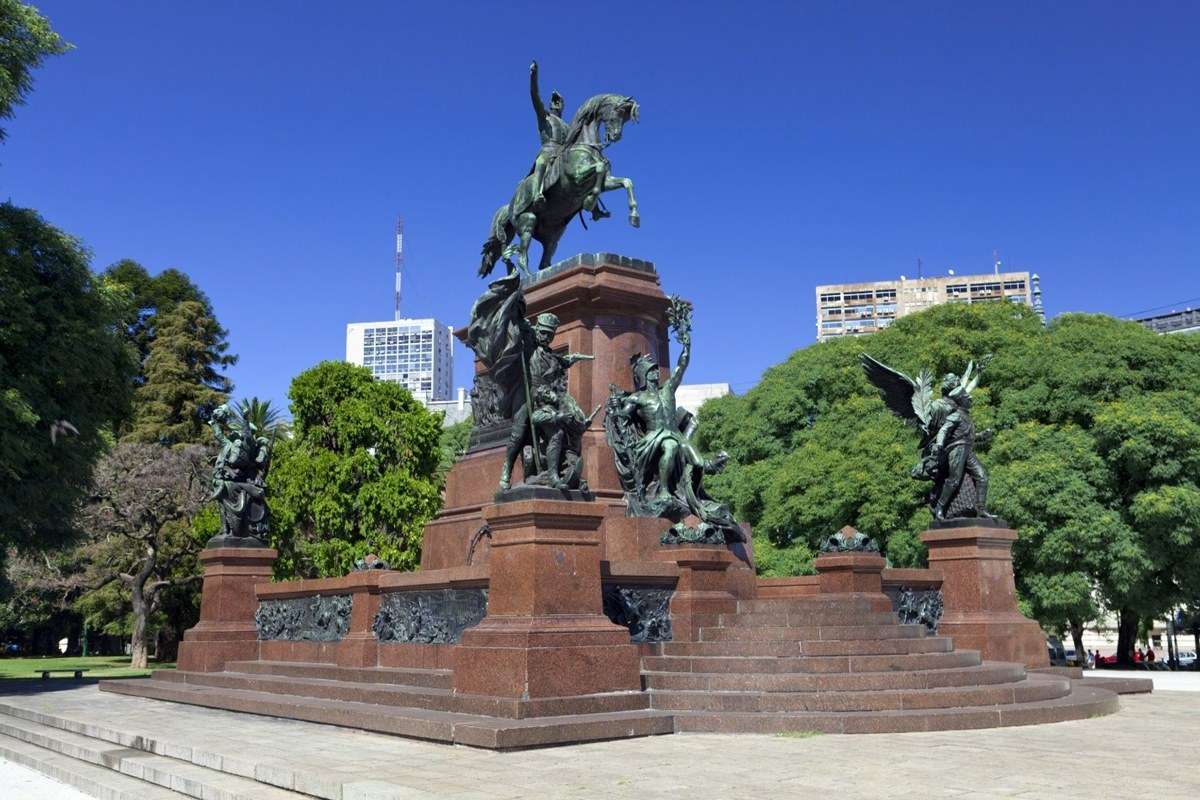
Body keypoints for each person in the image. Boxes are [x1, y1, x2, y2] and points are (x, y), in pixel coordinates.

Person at [528, 61, 569, 208]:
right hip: (548, 151)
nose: (556, 103)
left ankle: (594, 208)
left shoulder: (567, 126)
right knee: (541, 162)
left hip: (564, 155)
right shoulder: (544, 116)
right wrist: (534, 76)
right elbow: (534, 94)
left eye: (559, 102)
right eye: (554, 101)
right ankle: (536, 194)